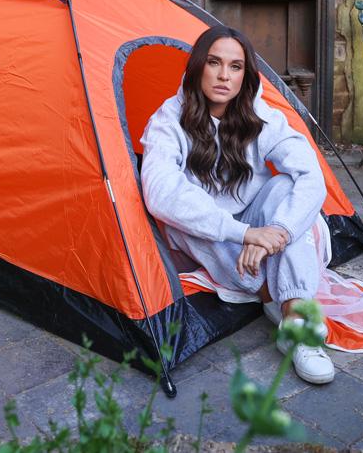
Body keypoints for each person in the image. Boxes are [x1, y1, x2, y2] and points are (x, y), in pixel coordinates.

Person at [140, 25, 335, 384]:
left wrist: (276, 231)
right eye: (214, 63)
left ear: (245, 75)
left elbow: (311, 176)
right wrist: (245, 234)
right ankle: (275, 294)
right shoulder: (169, 119)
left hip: (258, 226)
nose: (223, 76)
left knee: (284, 186)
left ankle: (296, 320)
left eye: (235, 66)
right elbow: (161, 192)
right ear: (198, 66)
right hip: (215, 234)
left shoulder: (260, 116)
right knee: (184, 210)